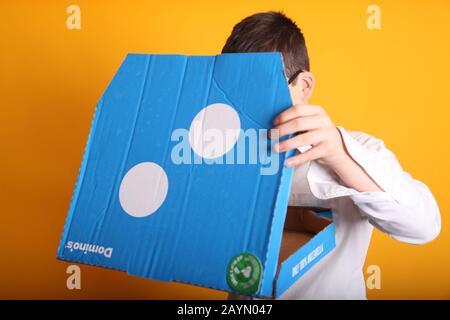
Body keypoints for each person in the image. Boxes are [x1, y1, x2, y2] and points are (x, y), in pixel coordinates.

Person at [223, 11, 441, 299]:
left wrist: (339, 155)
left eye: (261, 91)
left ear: (304, 87)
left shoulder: (362, 149)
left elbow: (424, 227)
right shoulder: (218, 154)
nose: (246, 108)